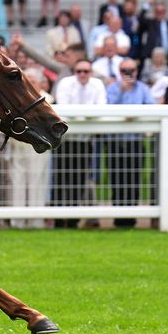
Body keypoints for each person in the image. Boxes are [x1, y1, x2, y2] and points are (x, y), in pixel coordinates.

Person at [52, 59, 106, 228]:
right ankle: (59, 221)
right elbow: (63, 108)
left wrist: (82, 115)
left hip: (85, 140)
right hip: (64, 140)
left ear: (91, 72)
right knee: (61, 179)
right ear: (74, 72)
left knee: (80, 180)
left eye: (86, 71)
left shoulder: (97, 84)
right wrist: (86, 114)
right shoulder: (66, 83)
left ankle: (74, 220)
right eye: (79, 71)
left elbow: (101, 108)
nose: (82, 74)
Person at [105, 57, 154, 228]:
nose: (128, 74)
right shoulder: (112, 88)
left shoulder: (143, 89)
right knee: (116, 179)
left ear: (136, 71)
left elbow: (151, 107)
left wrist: (136, 115)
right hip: (115, 141)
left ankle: (132, 217)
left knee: (134, 178)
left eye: (131, 70)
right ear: (119, 72)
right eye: (124, 71)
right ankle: (118, 217)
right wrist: (122, 91)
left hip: (135, 140)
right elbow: (107, 107)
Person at [8, 67, 53, 229]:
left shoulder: (48, 99)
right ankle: (17, 221)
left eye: (33, 81)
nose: (30, 84)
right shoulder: (17, 98)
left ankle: (36, 220)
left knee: (36, 182)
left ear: (40, 83)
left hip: (38, 145)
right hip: (18, 145)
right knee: (17, 181)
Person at [141, 2, 168, 69]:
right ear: (155, 12)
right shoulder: (150, 23)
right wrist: (147, 6)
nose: (160, 13)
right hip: (151, 58)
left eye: (162, 11)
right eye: (158, 11)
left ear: (165, 12)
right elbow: (140, 19)